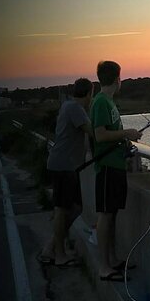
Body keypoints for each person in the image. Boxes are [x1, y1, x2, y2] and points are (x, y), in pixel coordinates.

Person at [91, 60, 142, 281]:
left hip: (116, 165)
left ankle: (111, 260)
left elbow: (109, 134)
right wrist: (126, 133)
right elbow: (100, 135)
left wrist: (125, 141)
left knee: (111, 215)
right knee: (105, 215)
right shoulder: (101, 102)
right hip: (107, 168)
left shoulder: (109, 102)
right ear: (116, 79)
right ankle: (104, 267)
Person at [39, 78, 94, 267]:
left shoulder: (68, 106)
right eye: (91, 95)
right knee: (62, 210)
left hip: (67, 165)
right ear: (88, 94)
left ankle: (51, 247)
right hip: (63, 166)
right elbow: (92, 131)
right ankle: (59, 255)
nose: (91, 99)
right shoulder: (76, 109)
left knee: (76, 207)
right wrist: (122, 134)